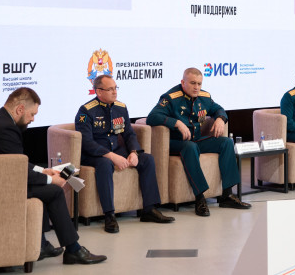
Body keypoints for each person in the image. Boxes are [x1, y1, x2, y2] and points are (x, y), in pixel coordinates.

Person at [0, 87, 106, 265]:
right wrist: (52, 179)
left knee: (44, 187)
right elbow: (18, 171)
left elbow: (16, 163)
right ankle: (73, 250)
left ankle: (41, 245)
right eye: (32, 114)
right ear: (20, 109)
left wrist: (43, 171)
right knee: (54, 191)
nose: (33, 119)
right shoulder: (5, 129)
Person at [76, 75, 174, 233]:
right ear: (99, 92)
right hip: (95, 154)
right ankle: (109, 215)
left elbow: (129, 134)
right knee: (105, 164)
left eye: (115, 88)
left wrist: (134, 152)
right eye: (110, 89)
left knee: (147, 159)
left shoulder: (121, 108)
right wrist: (111, 156)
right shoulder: (86, 111)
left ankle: (149, 209)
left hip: (116, 150)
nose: (115, 92)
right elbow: (87, 143)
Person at [147, 67, 251, 216]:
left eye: (199, 84)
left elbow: (219, 109)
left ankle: (227, 195)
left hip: (195, 140)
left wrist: (220, 119)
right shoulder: (171, 98)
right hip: (175, 142)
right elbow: (152, 117)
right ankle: (200, 198)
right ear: (183, 82)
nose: (196, 87)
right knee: (190, 147)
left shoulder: (204, 97)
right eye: (193, 83)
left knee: (227, 143)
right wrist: (177, 123)